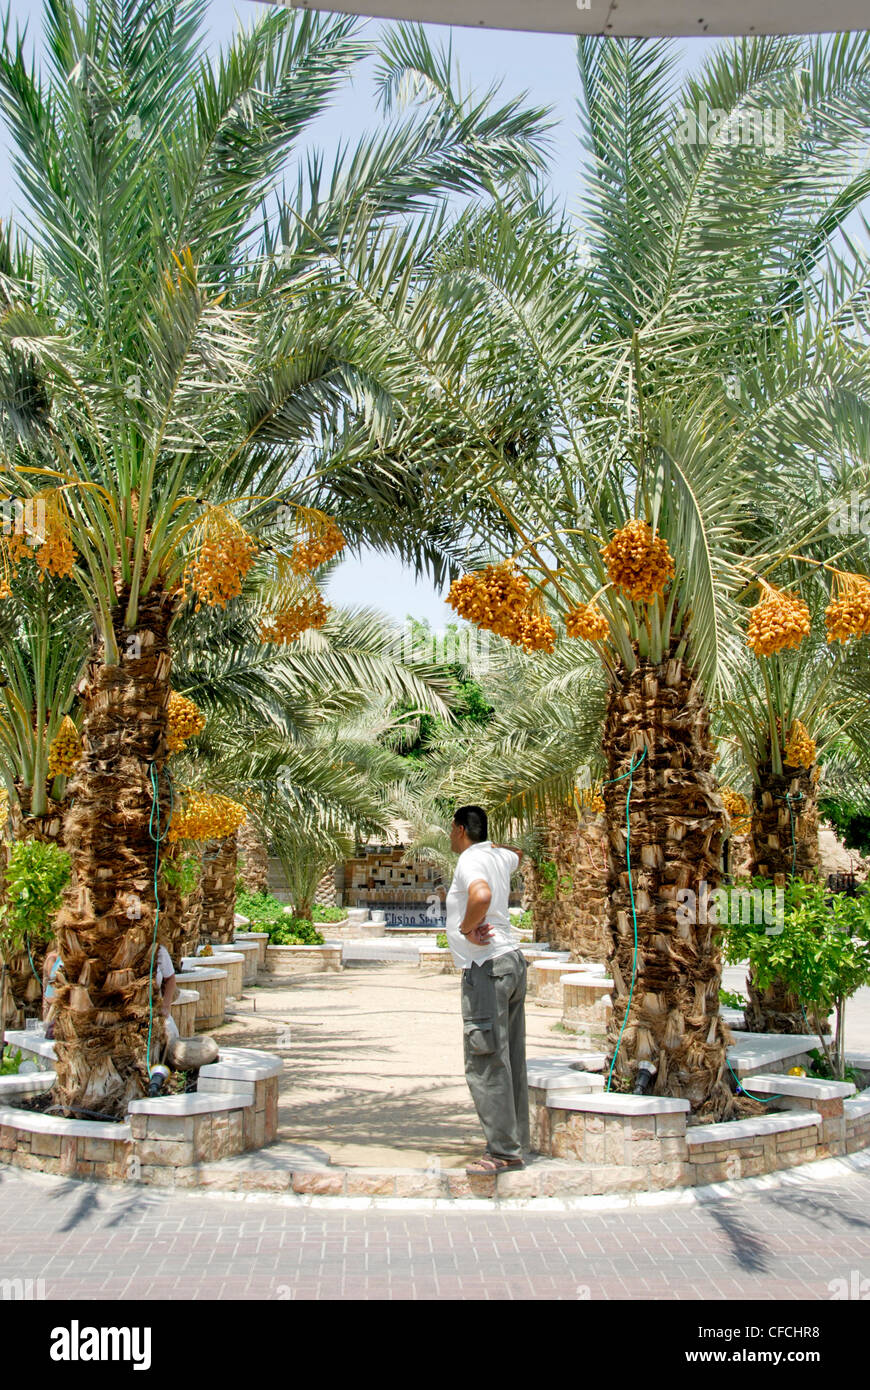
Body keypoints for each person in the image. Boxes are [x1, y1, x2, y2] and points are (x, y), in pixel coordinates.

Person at [445, 805, 529, 1174]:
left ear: (461, 829)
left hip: (487, 968)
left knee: (486, 1059)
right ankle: (514, 1141)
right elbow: (519, 855)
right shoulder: (497, 856)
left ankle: (503, 1152)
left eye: (452, 829)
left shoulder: (469, 861)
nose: (450, 836)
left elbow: (479, 896)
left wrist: (467, 928)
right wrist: (495, 845)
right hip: (512, 963)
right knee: (510, 1057)